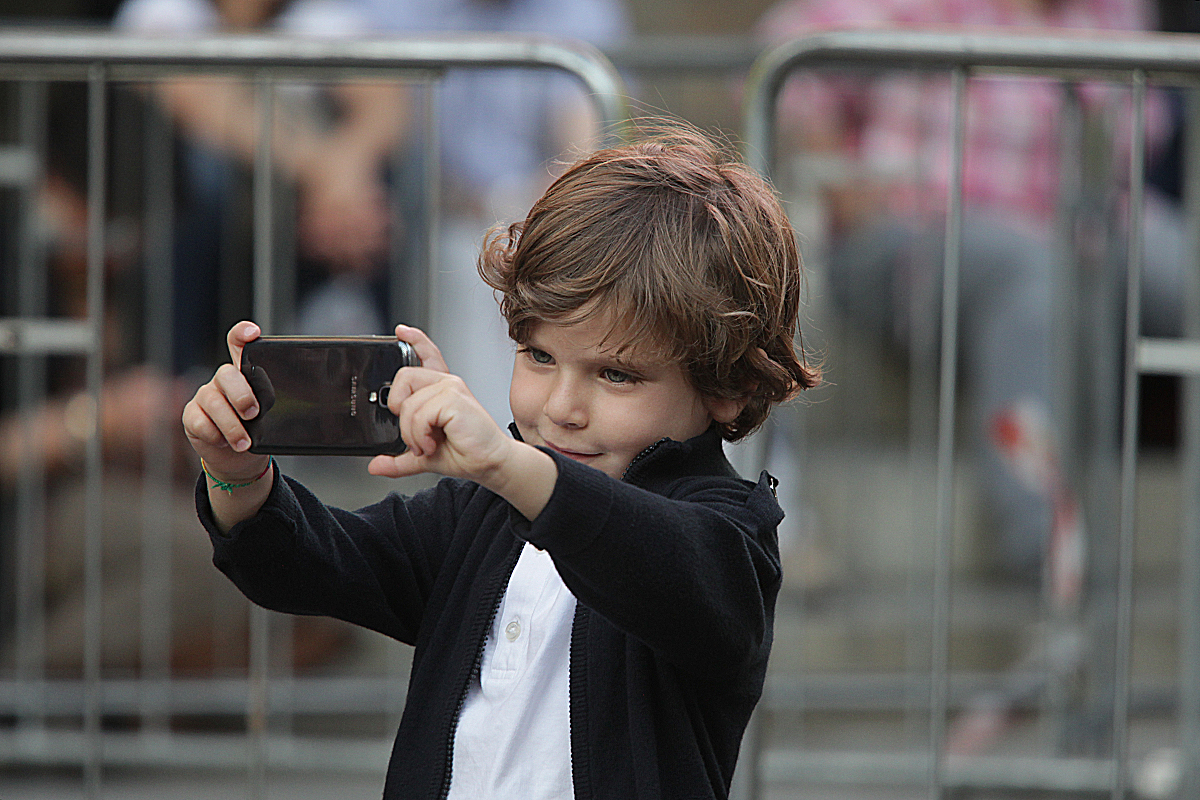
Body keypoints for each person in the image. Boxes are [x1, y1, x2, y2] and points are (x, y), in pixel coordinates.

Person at [181, 123, 819, 798]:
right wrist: (238, 471)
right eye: (540, 357)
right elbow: (310, 566)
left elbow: (671, 569)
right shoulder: (479, 510)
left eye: (617, 375)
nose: (564, 407)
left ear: (730, 388)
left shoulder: (729, 532)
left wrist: (505, 466)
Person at [756, 0, 1183, 581]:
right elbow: (787, 59)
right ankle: (1041, 549)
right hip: (920, 233)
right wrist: (848, 189)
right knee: (1034, 276)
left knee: (1168, 266)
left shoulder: (1117, 12)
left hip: (1091, 227)